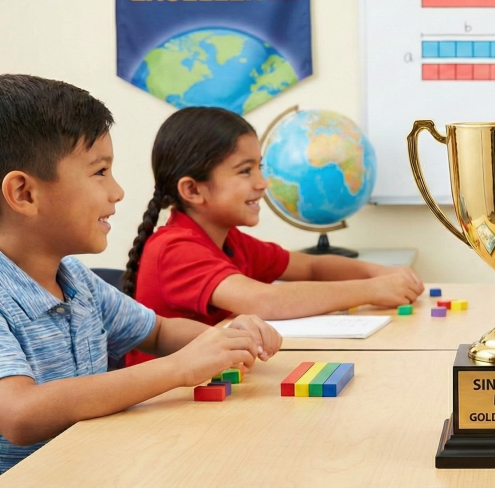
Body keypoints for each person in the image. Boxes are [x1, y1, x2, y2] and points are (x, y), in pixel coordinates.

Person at [0, 75, 281, 473]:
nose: (117, 192)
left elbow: (158, 332)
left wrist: (228, 338)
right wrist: (180, 368)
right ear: (25, 194)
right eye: (99, 172)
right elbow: (19, 414)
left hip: (93, 468)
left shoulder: (76, 280)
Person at [124, 107, 423, 365]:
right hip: (164, 409)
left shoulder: (230, 241)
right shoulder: (174, 248)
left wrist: (380, 272)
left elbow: (310, 267)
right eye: (245, 171)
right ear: (192, 190)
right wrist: (372, 290)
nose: (262, 183)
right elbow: (267, 301)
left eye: (260, 167)